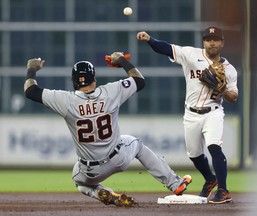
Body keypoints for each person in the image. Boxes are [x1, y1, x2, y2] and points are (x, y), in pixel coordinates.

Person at [23, 52, 191, 207]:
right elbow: (139, 81)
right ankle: (175, 184)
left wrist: (32, 68)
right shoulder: (111, 92)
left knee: (79, 182)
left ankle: (99, 192)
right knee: (136, 145)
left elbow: (30, 91)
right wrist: (122, 61)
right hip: (118, 158)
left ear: (74, 81)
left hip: (91, 170)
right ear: (94, 78)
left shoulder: (65, 101)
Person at [137, 27, 238, 204]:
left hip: (213, 112)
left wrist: (221, 89)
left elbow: (233, 97)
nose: (211, 42)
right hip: (191, 114)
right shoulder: (191, 54)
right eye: (208, 39)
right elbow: (166, 48)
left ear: (222, 43)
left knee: (214, 146)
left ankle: (223, 190)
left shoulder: (229, 69)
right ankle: (210, 179)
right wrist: (150, 40)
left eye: (215, 39)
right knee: (194, 154)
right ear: (203, 42)